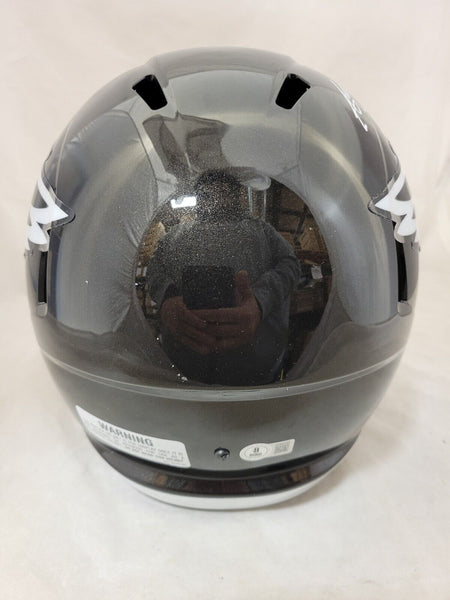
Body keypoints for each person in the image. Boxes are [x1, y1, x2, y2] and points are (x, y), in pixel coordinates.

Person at [147, 170, 301, 385]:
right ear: (199, 199)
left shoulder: (262, 231)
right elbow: (154, 270)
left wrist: (260, 301)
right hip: (183, 365)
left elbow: (290, 266)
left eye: (223, 193)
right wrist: (168, 299)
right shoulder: (174, 235)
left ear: (236, 197)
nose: (215, 199)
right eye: (207, 195)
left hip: (254, 364)